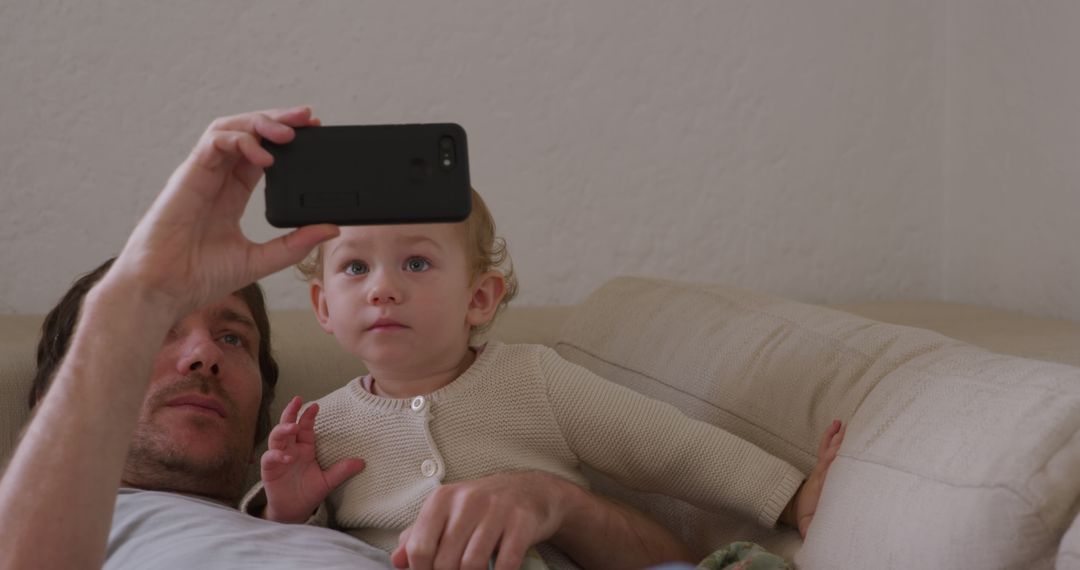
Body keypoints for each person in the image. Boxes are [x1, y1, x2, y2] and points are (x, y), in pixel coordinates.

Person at [0, 106, 697, 570]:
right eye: (158, 330)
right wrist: (135, 297)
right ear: (50, 397)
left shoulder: (317, 488)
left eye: (235, 338)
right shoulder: (45, 528)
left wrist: (555, 502)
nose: (204, 353)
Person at [252, 181, 846, 569]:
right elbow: (281, 547)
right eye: (355, 267)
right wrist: (290, 508)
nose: (383, 287)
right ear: (324, 307)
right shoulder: (318, 426)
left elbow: (666, 444)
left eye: (416, 262)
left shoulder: (534, 378)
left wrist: (788, 496)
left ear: (479, 297)